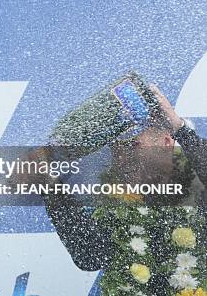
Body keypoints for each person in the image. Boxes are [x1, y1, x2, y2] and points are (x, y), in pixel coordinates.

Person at [39, 83, 206, 295]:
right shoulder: (116, 197)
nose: (121, 158)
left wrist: (180, 128)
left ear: (166, 142)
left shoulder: (196, 177)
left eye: (132, 145)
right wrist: (49, 185)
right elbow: (91, 256)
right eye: (116, 148)